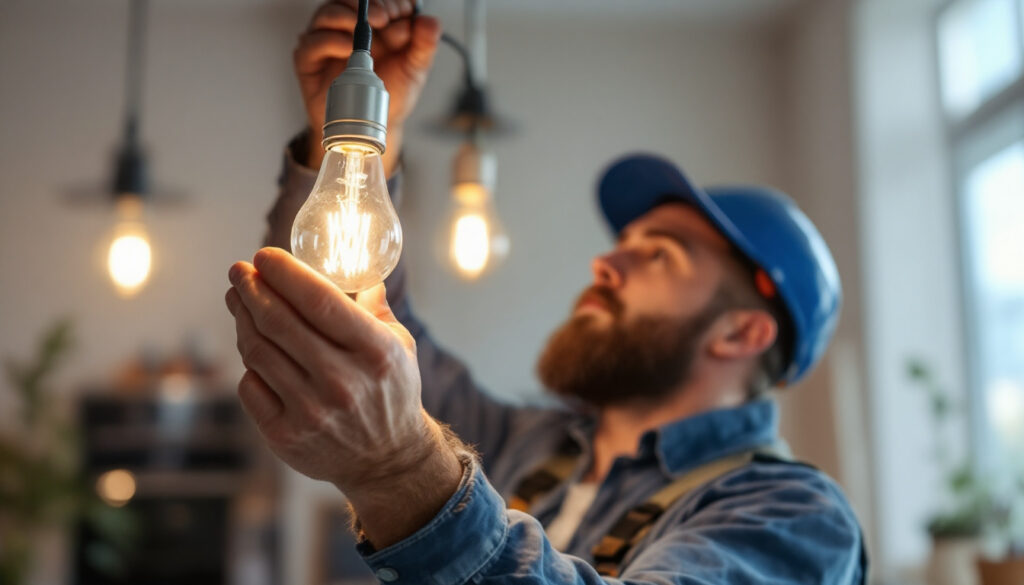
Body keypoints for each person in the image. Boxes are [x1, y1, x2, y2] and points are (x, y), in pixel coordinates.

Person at [223, 0, 868, 582]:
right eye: (621, 244)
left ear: (743, 331)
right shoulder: (526, 444)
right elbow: (357, 318)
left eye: (657, 253)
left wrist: (405, 471)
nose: (605, 263)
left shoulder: (793, 520)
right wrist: (347, 153)